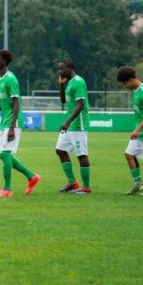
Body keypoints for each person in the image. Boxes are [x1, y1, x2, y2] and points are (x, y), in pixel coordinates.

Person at [0, 50, 40, 198]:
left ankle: (7, 189)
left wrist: (12, 127)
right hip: (5, 123)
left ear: (5, 61)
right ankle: (32, 176)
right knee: (4, 155)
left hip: (13, 123)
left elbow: (16, 104)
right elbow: (1, 104)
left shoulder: (11, 79)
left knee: (5, 154)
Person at [117, 66, 143, 196]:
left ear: (131, 80)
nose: (124, 85)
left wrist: (137, 129)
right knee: (129, 154)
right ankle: (138, 183)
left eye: (124, 83)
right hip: (140, 133)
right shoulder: (136, 92)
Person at [56, 60, 92, 194]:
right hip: (71, 125)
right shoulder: (69, 83)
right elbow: (63, 101)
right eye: (58, 70)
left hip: (78, 124)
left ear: (71, 68)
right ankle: (72, 182)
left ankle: (86, 187)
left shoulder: (78, 82)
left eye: (62, 69)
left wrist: (67, 122)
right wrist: (61, 85)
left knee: (81, 154)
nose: (60, 72)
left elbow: (80, 104)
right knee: (60, 150)